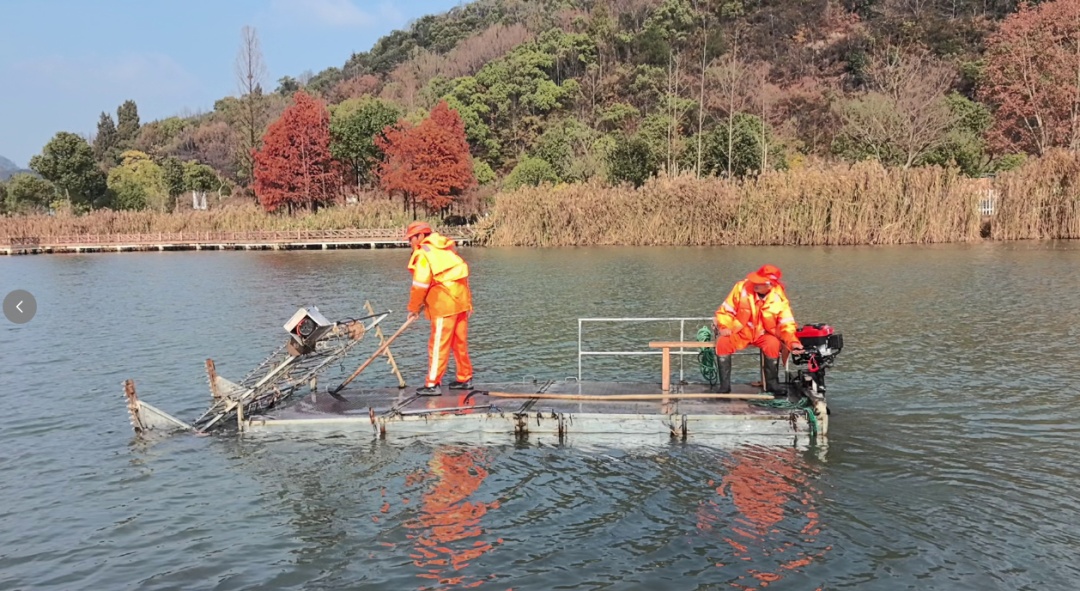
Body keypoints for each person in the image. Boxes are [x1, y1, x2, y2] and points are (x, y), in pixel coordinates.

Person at [405, 221, 474, 396]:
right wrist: (469, 302)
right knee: (459, 344)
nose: (410, 243)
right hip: (460, 301)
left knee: (438, 345)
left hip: (444, 304)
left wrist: (414, 308)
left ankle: (432, 384)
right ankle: (465, 378)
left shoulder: (424, 254)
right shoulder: (446, 249)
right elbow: (462, 276)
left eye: (411, 239)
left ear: (420, 236)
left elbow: (420, 285)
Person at [712, 268, 804, 395]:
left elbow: (786, 323)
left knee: (773, 344)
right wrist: (724, 327)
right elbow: (725, 311)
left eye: (759, 282)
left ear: (770, 285)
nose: (755, 284)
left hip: (764, 333)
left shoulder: (779, 298)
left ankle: (772, 384)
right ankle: (724, 386)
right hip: (740, 332)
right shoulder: (741, 288)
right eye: (754, 281)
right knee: (722, 343)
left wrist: (793, 342)